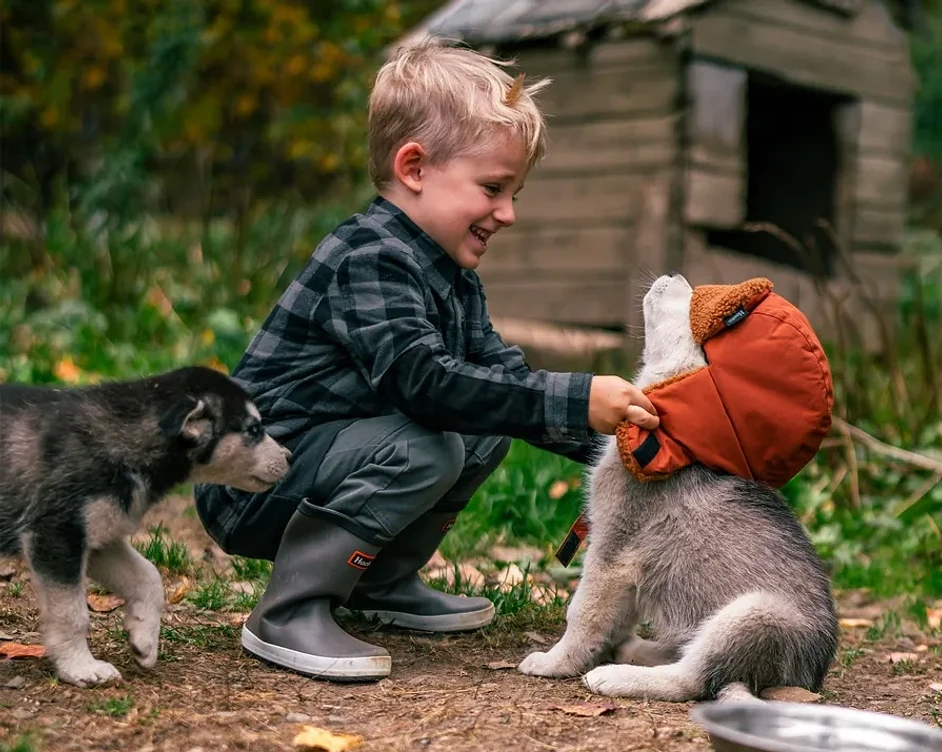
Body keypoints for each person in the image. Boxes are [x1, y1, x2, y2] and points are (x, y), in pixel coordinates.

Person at [194, 39, 659, 681]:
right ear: (414, 167)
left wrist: (637, 446)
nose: (509, 213)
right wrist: (579, 396)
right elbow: (424, 384)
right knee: (430, 445)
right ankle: (289, 610)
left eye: (515, 192)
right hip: (254, 482)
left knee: (481, 428)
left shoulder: (451, 274)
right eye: (494, 188)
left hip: (323, 461)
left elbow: (506, 385)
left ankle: (377, 584)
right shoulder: (372, 256)